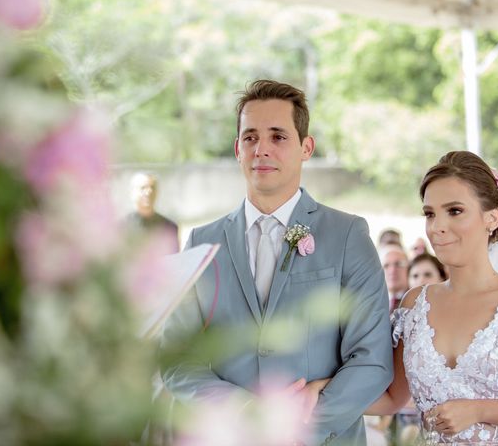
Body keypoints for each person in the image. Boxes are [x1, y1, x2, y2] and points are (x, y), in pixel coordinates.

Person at [161, 80, 392, 445]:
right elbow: (177, 360)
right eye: (250, 137)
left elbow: (372, 360)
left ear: (306, 147)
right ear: (238, 149)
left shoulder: (349, 235)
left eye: (278, 137)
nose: (261, 149)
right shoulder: (202, 242)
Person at [308, 151, 498, 445]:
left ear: (491, 218)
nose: (437, 226)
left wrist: (479, 410)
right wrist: (323, 391)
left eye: (454, 211)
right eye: (430, 214)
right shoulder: (415, 305)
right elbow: (392, 397)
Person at [125, 171, 179, 253]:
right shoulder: (122, 228)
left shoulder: (169, 228)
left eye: (152, 187)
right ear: (133, 192)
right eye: (143, 188)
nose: (148, 192)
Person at [381, 244, 409, 313]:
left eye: (398, 264)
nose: (392, 270)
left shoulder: (419, 299)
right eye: (386, 265)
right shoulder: (372, 302)